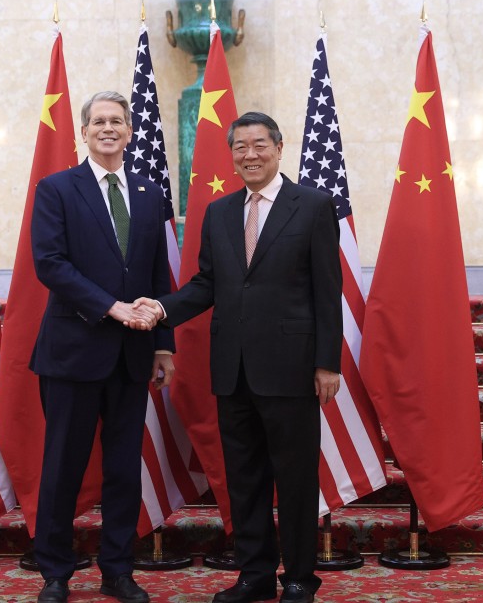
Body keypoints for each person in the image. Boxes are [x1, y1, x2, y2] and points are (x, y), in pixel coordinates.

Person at [134, 112, 342, 603]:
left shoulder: (312, 206)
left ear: (279, 147)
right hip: (233, 371)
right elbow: (209, 284)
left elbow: (327, 291)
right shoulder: (221, 212)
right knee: (244, 481)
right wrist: (163, 307)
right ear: (231, 155)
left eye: (259, 145)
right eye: (240, 147)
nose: (250, 155)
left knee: (294, 481)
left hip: (293, 370)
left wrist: (326, 363)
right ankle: (255, 575)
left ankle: (298, 579)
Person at [30, 91, 173, 603]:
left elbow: (159, 270)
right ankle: (55, 572)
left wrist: (164, 344)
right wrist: (111, 307)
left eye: (117, 121)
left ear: (130, 131)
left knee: (122, 469)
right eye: (98, 122)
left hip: (133, 357)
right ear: (83, 133)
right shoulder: (57, 189)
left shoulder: (151, 192)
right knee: (63, 466)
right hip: (73, 352)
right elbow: (50, 264)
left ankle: (117, 568)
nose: (108, 129)